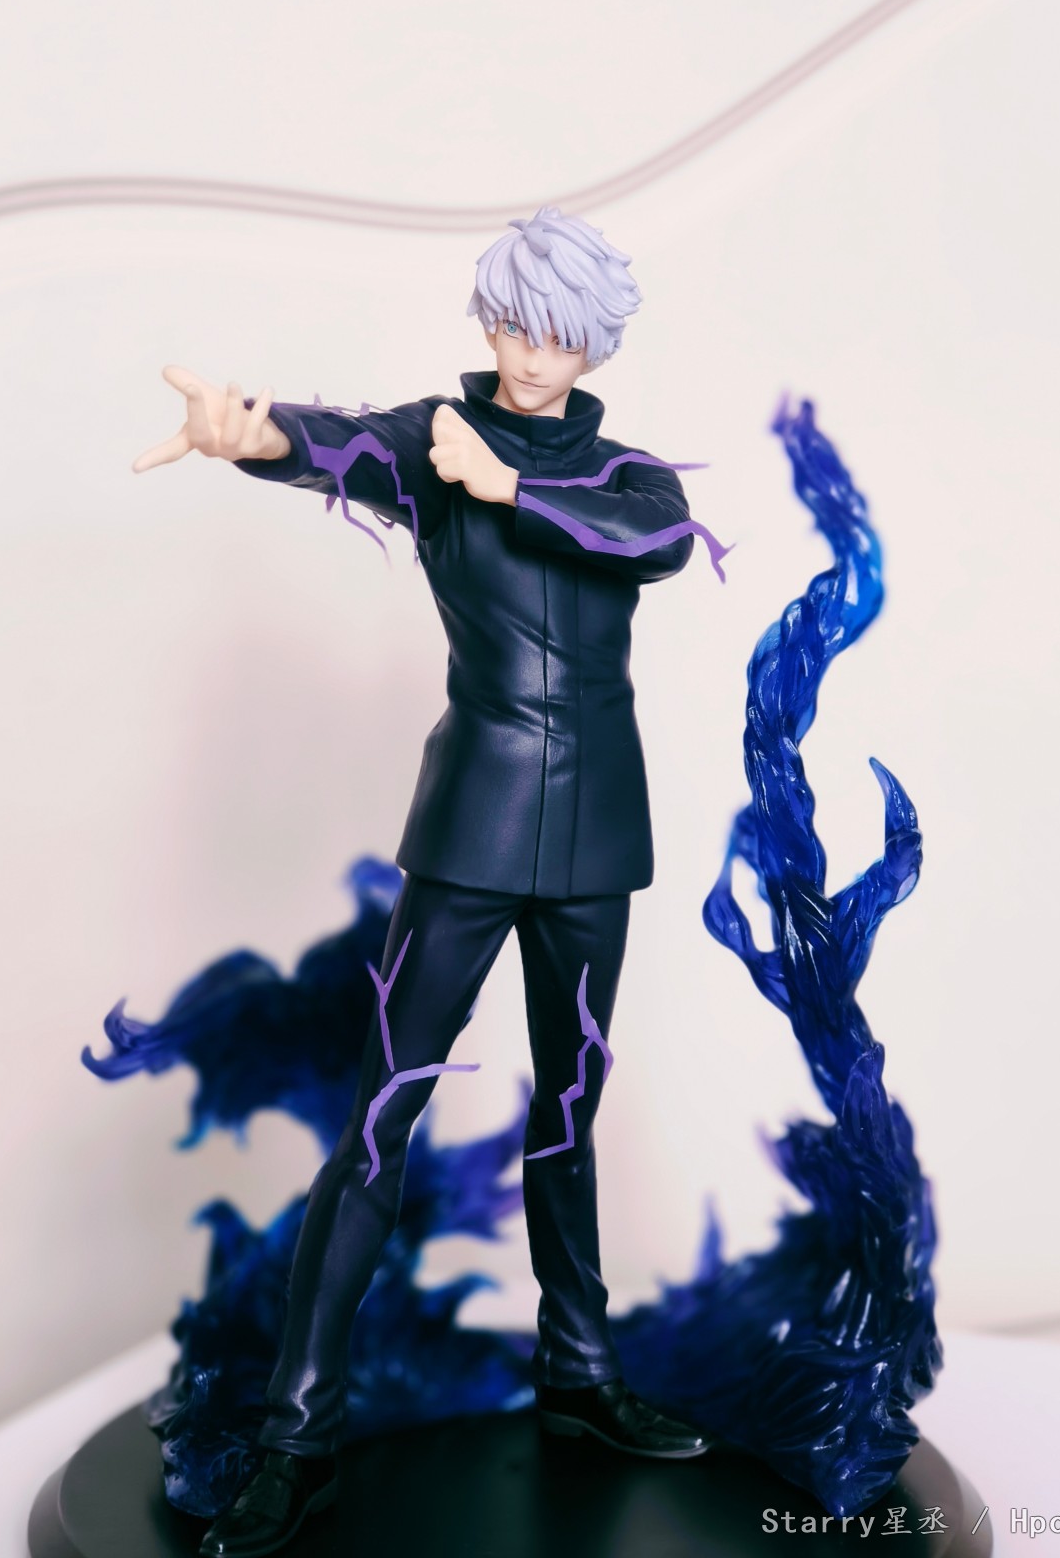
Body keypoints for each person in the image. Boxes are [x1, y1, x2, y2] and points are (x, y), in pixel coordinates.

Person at [134, 206, 728, 1558]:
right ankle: (296, 1438)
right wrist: (250, 436)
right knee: (379, 1120)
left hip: (599, 831)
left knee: (569, 1111)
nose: (528, 349)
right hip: (472, 822)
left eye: (555, 328)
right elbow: (333, 441)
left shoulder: (630, 478)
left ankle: (579, 1372)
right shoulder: (431, 439)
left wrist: (506, 488)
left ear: (595, 340)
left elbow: (651, 542)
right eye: (511, 320)